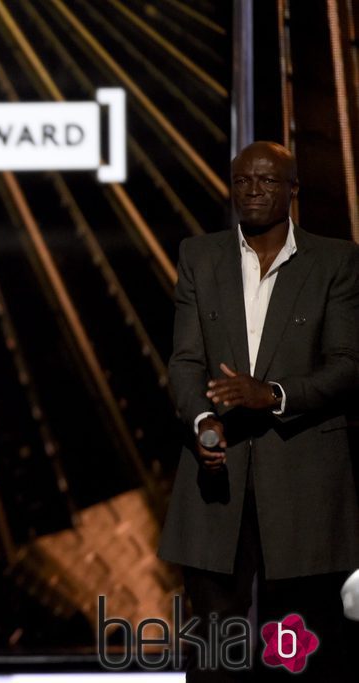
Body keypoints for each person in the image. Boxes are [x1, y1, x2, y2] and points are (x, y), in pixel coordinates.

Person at [159, 141, 359, 680]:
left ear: (293, 190)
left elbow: (347, 365)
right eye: (243, 180)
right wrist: (203, 424)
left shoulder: (335, 260)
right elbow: (184, 361)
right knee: (213, 649)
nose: (252, 191)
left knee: (298, 650)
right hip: (216, 484)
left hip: (304, 481)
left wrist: (271, 395)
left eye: (267, 181)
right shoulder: (199, 256)